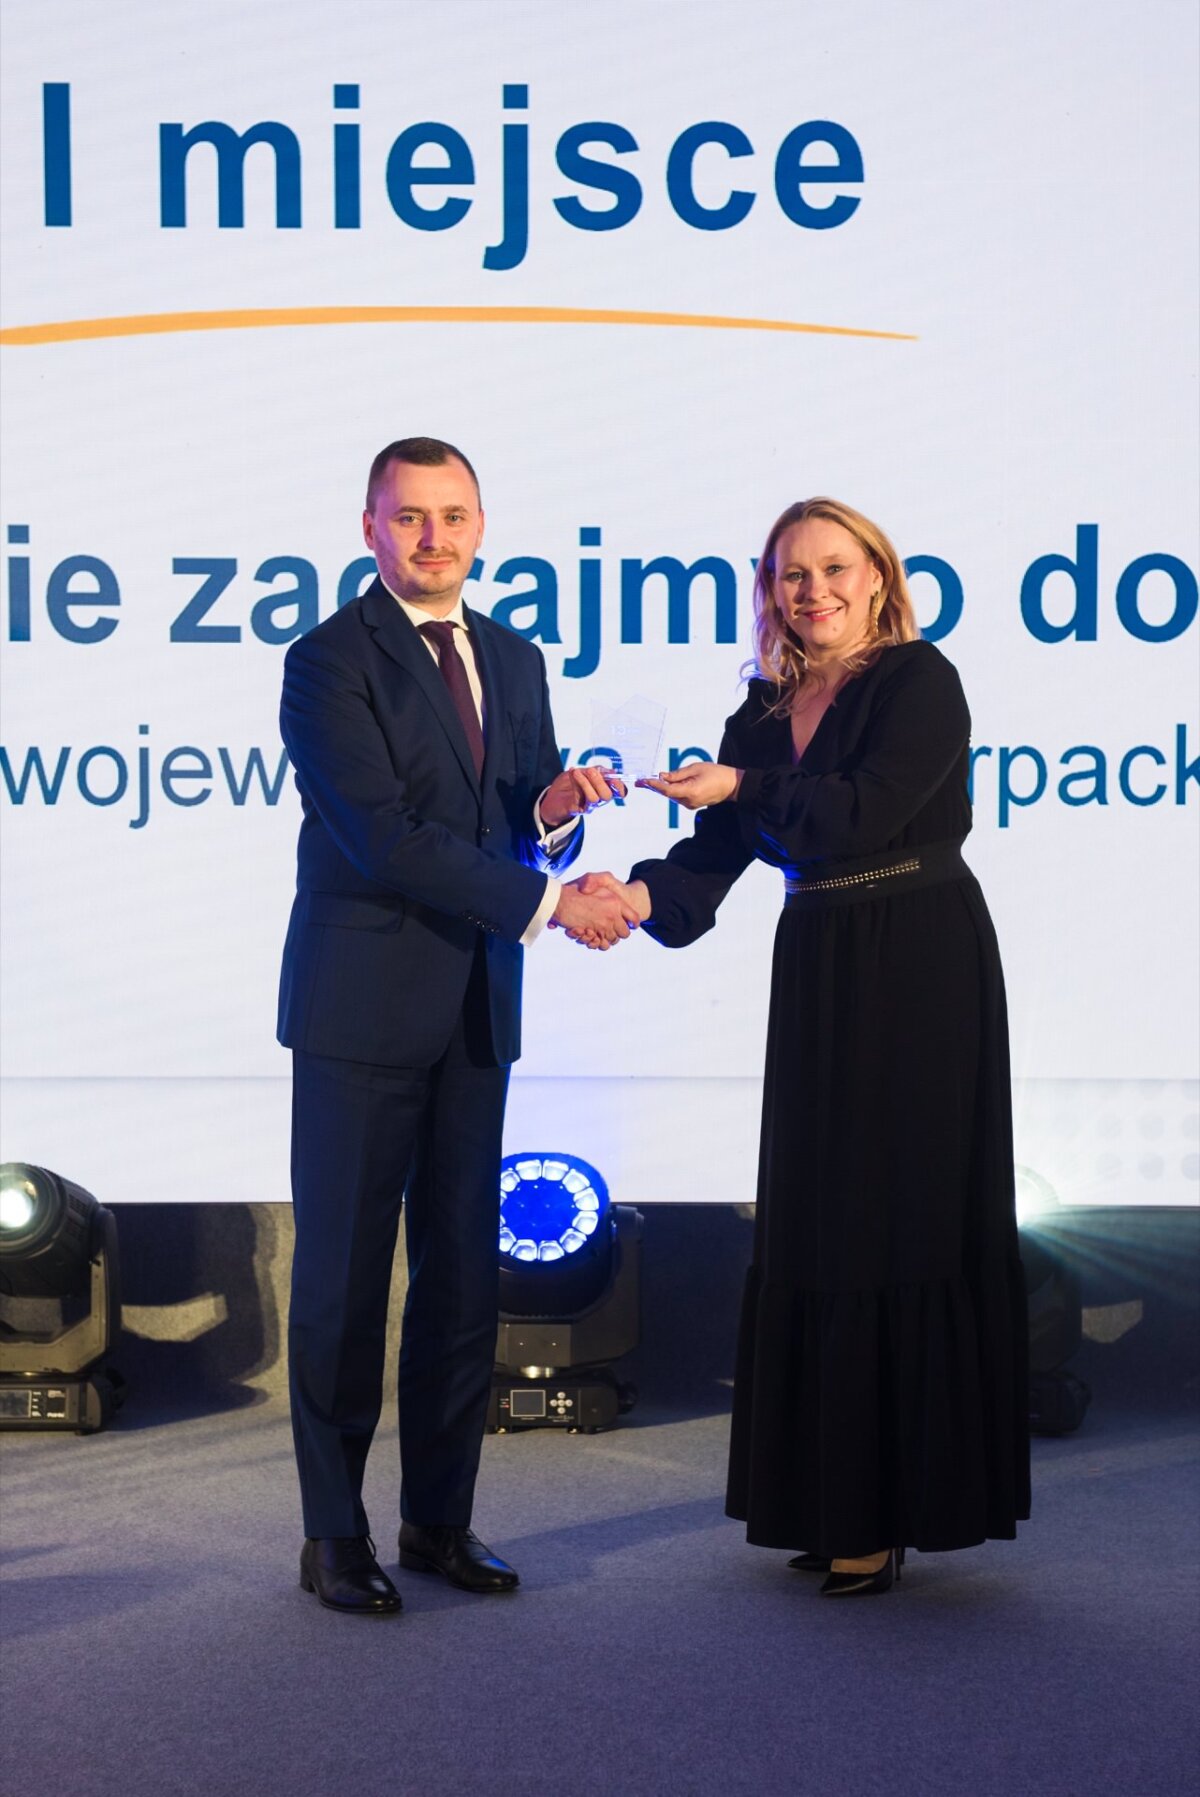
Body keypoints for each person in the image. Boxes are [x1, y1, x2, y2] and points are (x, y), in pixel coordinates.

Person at [579, 496, 1031, 1594]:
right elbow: (721, 847)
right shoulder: (763, 703)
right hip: (820, 958)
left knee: (896, 1219)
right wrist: (636, 894)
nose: (813, 591)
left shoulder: (921, 682)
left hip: (920, 961)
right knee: (821, 1220)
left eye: (835, 568)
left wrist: (744, 785)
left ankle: (883, 1511)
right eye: (792, 575)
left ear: (877, 577)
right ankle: (827, 1499)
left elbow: (859, 814)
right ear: (770, 590)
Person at [277, 436, 632, 1615]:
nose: (435, 537)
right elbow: (385, 839)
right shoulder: (327, 661)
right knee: (337, 1282)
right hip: (359, 1012)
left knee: (459, 1284)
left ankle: (439, 1522)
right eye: (410, 517)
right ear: (369, 528)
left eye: (455, 515)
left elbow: (515, 817)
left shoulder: (518, 659)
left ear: (482, 525)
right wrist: (547, 902)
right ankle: (334, 1535)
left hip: (478, 1004)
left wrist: (559, 813)